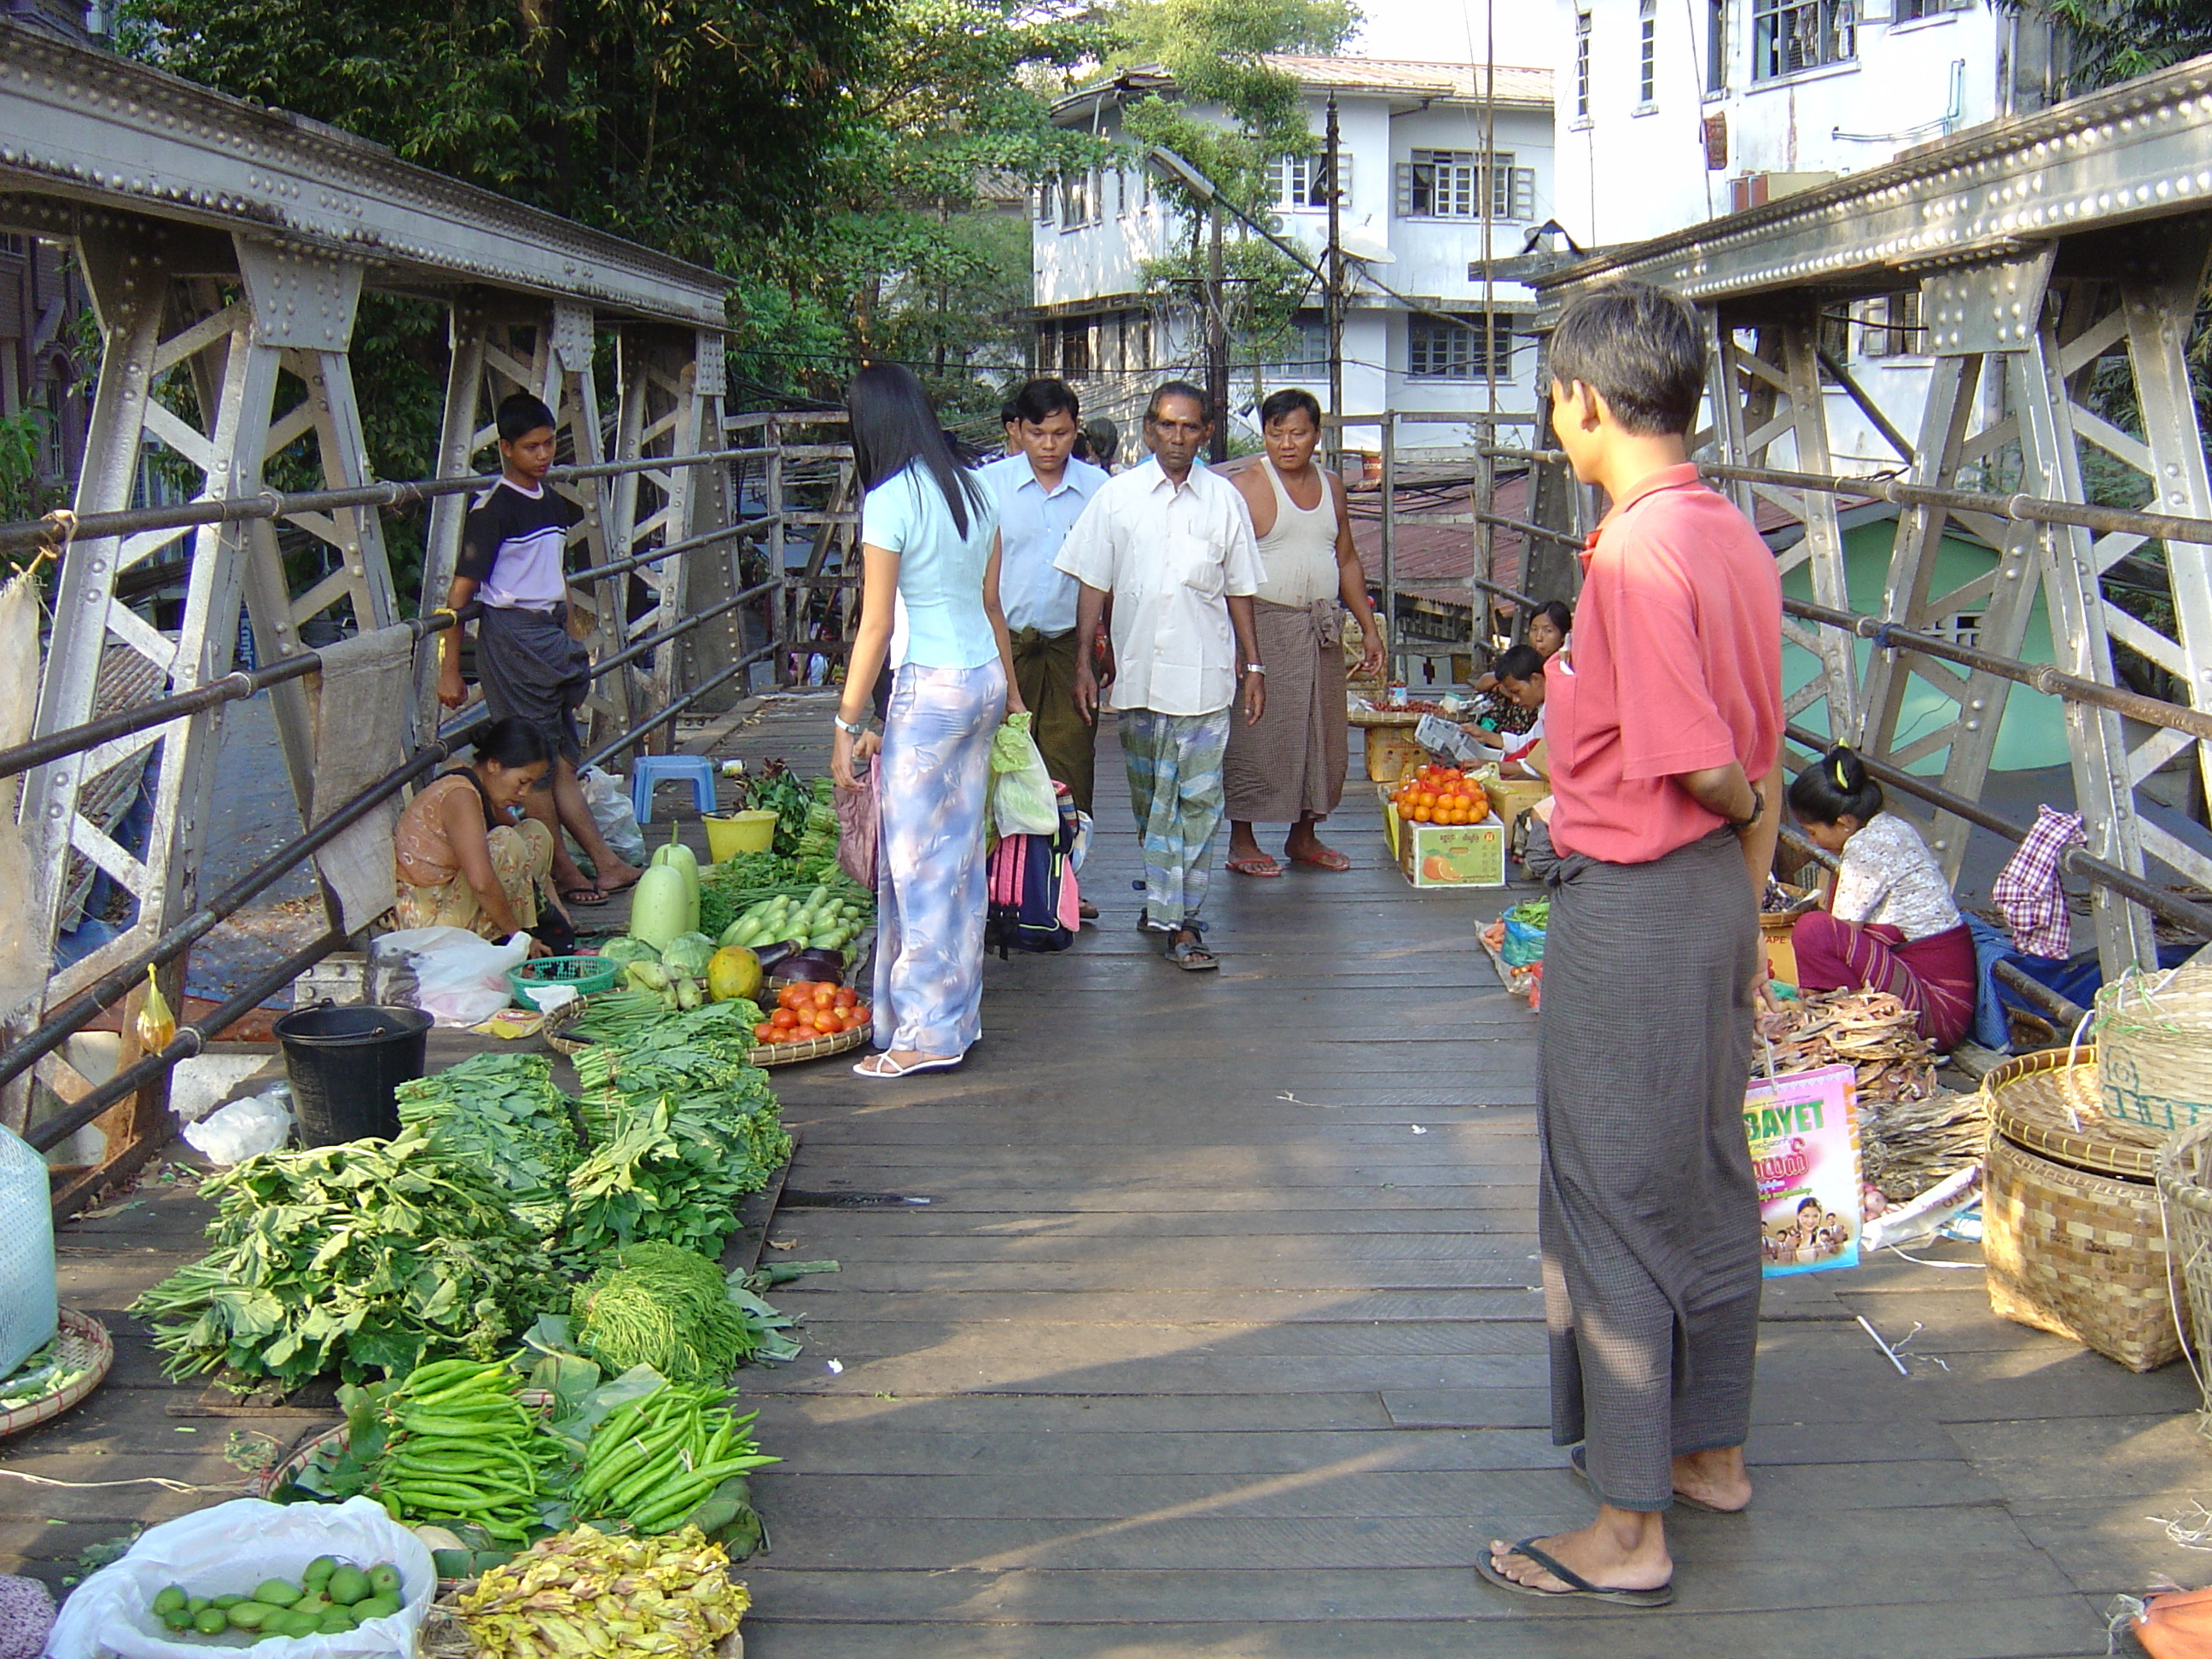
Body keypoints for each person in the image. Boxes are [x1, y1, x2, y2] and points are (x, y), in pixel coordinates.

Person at [1480, 282, 1783, 1610]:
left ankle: (1627, 1529)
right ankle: (1707, 1453)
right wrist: (1755, 882)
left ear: (1585, 403)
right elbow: (1753, 740)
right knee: (1707, 1177)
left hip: (1645, 898)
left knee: (1609, 1194)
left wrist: (1744, 808)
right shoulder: (1731, 538)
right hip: (1712, 900)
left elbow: (1708, 762)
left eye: (1556, 402)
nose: (1557, 426)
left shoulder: (1633, 552)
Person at [831, 363, 1021, 1079]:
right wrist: (1015, 701)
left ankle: (926, 1036)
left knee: (917, 870)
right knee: (958, 861)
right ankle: (941, 1017)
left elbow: (876, 626)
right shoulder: (977, 489)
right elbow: (992, 605)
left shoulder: (888, 499)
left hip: (930, 687)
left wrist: (847, 722)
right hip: (981, 682)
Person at [1057, 381, 1265, 971]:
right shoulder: (1117, 498)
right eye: (1167, 426)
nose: (1178, 437)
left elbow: (1240, 589)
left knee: (1199, 802)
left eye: (1189, 426)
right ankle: (1161, 902)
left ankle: (1183, 923)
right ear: (1150, 429)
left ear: (1205, 432)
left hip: (1205, 681)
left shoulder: (1224, 500)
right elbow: (1092, 583)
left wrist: (1255, 666)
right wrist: (1083, 662)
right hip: (1139, 683)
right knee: (1154, 806)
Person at [436, 392, 643, 908]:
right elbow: (459, 598)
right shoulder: (493, 511)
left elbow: (558, 578)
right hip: (514, 638)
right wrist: (448, 670)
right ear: (506, 448)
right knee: (538, 767)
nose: (544, 455)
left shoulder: (549, 501)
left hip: (549, 637)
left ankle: (603, 864)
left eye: (550, 443)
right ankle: (566, 874)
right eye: (532, 447)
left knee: (558, 762)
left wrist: (571, 634)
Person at [1220, 388, 1387, 878]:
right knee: (1258, 733)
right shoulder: (1249, 485)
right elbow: (1230, 573)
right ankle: (1243, 838)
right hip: (1265, 625)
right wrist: (1244, 649)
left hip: (1321, 628)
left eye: (1297, 433)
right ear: (1265, 435)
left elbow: (1348, 557)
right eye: (1276, 432)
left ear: (1317, 435)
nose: (1286, 443)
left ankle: (1304, 834)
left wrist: (1369, 629)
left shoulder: (1333, 485)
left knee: (1322, 732)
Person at [978, 379, 1109, 820]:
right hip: (1002, 646)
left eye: (1061, 434)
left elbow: (1105, 575)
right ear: (1016, 430)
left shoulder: (1098, 488)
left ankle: (1067, 881)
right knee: (997, 766)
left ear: (1076, 430)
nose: (1049, 445)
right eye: (1037, 434)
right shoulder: (987, 486)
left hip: (1069, 645)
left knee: (1070, 763)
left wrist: (1094, 656)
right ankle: (1004, 882)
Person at [1787, 744, 1976, 1048]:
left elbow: (1841, 934)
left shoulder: (1866, 848)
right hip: (1941, 992)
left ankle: (1849, 1024)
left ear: (1845, 822)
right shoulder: (1890, 826)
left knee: (1813, 931)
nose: (1812, 842)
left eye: (1812, 831)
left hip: (1933, 1007)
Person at [393, 717, 562, 955]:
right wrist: (518, 938)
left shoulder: (484, 790)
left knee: (534, 832)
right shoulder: (460, 795)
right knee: (506, 842)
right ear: (494, 765)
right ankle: (515, 945)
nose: (524, 793)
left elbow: (530, 856)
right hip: (426, 922)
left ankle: (526, 937)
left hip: (452, 901)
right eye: (522, 782)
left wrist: (557, 910)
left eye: (530, 785)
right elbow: (481, 883)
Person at [1473, 600, 1570, 739]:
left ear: (1563, 636)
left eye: (1548, 631)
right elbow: (1482, 683)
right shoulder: (1527, 657)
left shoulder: (1565, 666)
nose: (1539, 638)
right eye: (1534, 629)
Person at [1458, 643, 1548, 780]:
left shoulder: (1559, 709)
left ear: (1536, 680)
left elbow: (1541, 765)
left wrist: (1492, 765)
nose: (1515, 700)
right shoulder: (1545, 708)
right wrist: (1486, 736)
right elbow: (1529, 742)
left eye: (1517, 692)